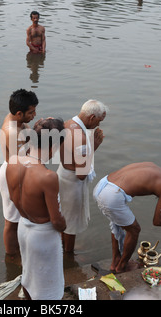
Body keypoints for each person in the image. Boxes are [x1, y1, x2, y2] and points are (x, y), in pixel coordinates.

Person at [93, 162, 161, 273]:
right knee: (134, 230)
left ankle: (116, 260)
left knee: (119, 223)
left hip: (103, 184)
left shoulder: (153, 166)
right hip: (112, 195)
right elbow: (157, 221)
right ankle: (122, 267)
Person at [6, 118, 67, 300]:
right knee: (48, 285)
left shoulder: (13, 162)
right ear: (55, 145)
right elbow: (56, 221)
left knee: (29, 276)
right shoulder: (48, 176)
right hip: (43, 235)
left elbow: (12, 197)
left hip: (24, 227)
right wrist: (64, 224)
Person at [58, 99, 107, 253]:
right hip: (72, 182)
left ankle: (60, 247)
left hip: (62, 174)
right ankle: (68, 254)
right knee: (71, 223)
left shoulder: (66, 124)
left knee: (63, 216)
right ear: (92, 117)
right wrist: (94, 148)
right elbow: (81, 174)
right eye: (99, 121)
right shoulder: (81, 138)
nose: (98, 125)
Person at [0, 89, 38, 257]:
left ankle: (17, 251)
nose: (34, 115)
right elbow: (25, 158)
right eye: (31, 112)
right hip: (12, 172)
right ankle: (11, 255)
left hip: (17, 168)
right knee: (11, 219)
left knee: (19, 216)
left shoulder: (16, 119)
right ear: (19, 113)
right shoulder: (12, 132)